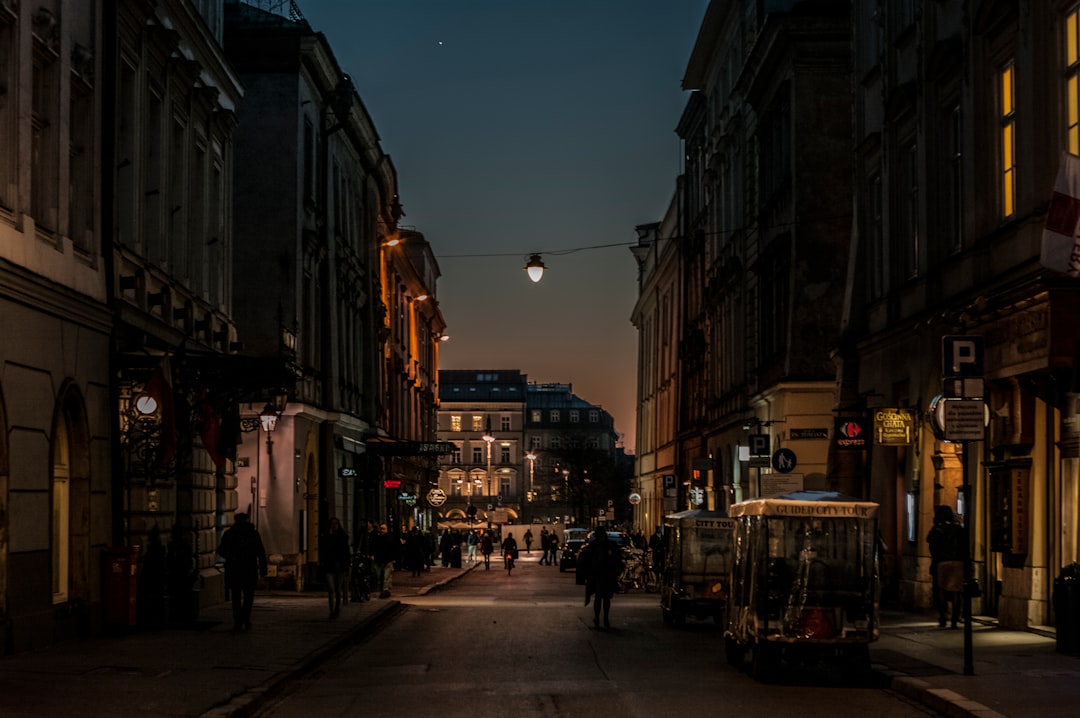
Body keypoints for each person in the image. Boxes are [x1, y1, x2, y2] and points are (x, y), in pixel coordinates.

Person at [217, 512, 267, 631]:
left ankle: (238, 620)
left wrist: (230, 557)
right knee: (248, 596)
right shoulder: (253, 534)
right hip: (249, 568)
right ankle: (246, 618)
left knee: (236, 596)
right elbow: (260, 551)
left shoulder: (229, 534)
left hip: (234, 569)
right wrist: (263, 569)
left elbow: (221, 550)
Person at [927, 505, 965, 628]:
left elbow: (930, 542)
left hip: (942, 562)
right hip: (958, 562)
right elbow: (964, 546)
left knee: (941, 590)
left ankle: (943, 618)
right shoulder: (958, 529)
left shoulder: (937, 529)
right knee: (956, 592)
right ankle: (954, 620)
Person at [583, 529, 623, 629]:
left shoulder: (597, 546)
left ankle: (603, 617)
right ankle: (601, 618)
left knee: (603, 598)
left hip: (604, 575)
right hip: (600, 575)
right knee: (601, 597)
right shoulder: (600, 546)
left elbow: (617, 559)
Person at [320, 517, 351, 619]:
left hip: (340, 567)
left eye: (336, 524)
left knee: (338, 589)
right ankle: (331, 610)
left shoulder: (343, 537)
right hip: (329, 567)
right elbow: (323, 552)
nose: (334, 526)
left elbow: (346, 553)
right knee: (331, 589)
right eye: (332, 524)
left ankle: (337, 608)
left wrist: (346, 568)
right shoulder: (326, 537)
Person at [373, 523, 398, 598]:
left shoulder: (390, 538)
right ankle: (383, 590)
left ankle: (385, 590)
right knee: (380, 576)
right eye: (381, 528)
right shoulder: (377, 538)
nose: (382, 530)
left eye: (384, 529)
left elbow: (394, 548)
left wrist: (394, 558)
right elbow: (374, 547)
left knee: (386, 576)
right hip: (379, 560)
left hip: (388, 560)